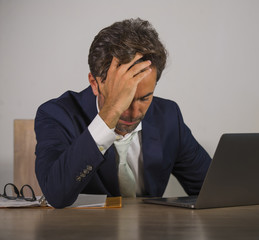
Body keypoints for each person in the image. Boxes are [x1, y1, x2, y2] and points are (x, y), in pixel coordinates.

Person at [34, 18, 211, 208]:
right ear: (94, 83)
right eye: (122, 99)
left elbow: (213, 188)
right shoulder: (56, 114)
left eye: (144, 98)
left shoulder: (168, 116)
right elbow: (55, 194)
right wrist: (110, 113)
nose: (132, 113)